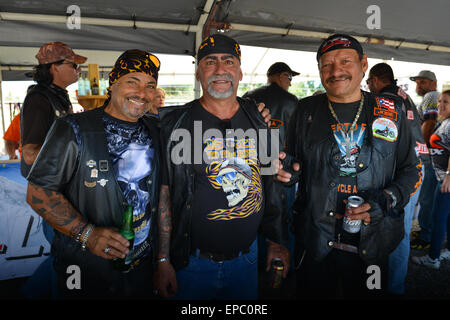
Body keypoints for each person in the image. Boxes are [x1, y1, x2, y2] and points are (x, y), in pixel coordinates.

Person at [276, 34, 421, 299]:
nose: (336, 71)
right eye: (326, 65)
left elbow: (412, 169)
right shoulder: (306, 110)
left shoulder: (391, 109)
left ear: (363, 64)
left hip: (373, 240)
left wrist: (385, 199)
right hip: (316, 241)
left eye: (345, 61)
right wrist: (288, 172)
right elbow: (291, 162)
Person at [154, 34, 290, 300]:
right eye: (210, 62)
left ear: (239, 72)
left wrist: (276, 240)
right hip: (191, 265)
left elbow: (269, 183)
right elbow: (165, 196)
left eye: (228, 61)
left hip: (247, 261)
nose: (219, 70)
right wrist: (162, 259)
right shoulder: (176, 123)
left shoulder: (258, 118)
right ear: (198, 74)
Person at [25, 49, 161, 299]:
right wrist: (87, 234)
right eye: (132, 81)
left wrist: (255, 110)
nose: (142, 93)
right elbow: (37, 192)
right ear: (114, 83)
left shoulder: (156, 128)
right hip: (84, 269)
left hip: (141, 269)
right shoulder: (73, 128)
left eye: (150, 85)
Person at [367, 62, 428, 295]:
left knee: (398, 229)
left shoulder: (388, 100)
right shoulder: (404, 95)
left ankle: (393, 288)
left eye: (368, 83)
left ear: (374, 80)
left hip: (406, 172)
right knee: (396, 227)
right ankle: (391, 283)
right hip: (415, 167)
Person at [242, 62, 299, 287]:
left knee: (252, 216)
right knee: (284, 220)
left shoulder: (248, 97)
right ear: (278, 76)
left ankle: (253, 267)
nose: (290, 81)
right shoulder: (292, 101)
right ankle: (282, 270)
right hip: (283, 171)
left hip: (252, 170)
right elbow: (297, 140)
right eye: (289, 76)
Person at [20, 41, 86, 178]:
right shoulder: (38, 98)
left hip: (56, 178)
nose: (78, 69)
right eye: (74, 65)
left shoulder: (58, 96)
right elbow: (30, 155)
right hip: (45, 185)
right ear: (55, 67)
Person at [412, 90, 450, 269]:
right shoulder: (445, 123)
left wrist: (448, 176)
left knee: (438, 218)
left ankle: (433, 258)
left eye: (446, 102)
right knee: (446, 218)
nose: (440, 105)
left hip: (445, 180)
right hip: (441, 177)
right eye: (440, 101)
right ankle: (448, 249)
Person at [409, 70, 440, 250]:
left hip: (429, 155)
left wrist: (421, 148)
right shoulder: (432, 95)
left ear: (433, 83)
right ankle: (426, 231)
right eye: (418, 82)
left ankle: (426, 236)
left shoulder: (431, 95)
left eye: (423, 82)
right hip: (434, 154)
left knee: (427, 198)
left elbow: (429, 121)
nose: (419, 86)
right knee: (429, 197)